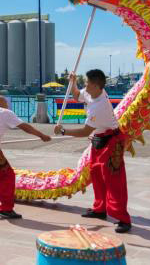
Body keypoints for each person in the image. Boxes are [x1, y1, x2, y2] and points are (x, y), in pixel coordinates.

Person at [54, 69, 132, 233]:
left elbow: (84, 132)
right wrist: (73, 82)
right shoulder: (92, 92)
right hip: (99, 140)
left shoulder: (100, 106)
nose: (85, 85)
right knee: (97, 175)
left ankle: (123, 219)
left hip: (112, 142)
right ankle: (100, 209)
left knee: (114, 181)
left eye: (87, 83)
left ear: (96, 86)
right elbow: (76, 95)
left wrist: (62, 131)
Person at [0, 95, 51, 219]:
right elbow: (24, 126)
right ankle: (6, 209)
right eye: (5, 101)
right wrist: (41, 135)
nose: (7, 104)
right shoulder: (5, 112)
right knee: (5, 175)